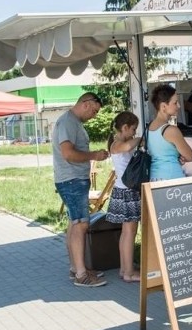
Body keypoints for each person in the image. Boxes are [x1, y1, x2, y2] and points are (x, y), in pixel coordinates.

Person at [53, 92, 110, 287]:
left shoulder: (72, 122)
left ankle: (75, 268)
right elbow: (68, 154)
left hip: (72, 179)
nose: (93, 115)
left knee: (74, 223)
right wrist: (94, 155)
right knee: (80, 225)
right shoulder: (68, 122)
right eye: (94, 111)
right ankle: (81, 275)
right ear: (86, 103)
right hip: (72, 180)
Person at [105, 111, 141, 283]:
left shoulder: (118, 142)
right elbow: (128, 147)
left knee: (127, 232)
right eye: (133, 129)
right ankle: (128, 272)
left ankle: (124, 268)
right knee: (129, 232)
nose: (134, 133)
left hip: (123, 190)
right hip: (127, 192)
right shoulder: (117, 144)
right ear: (124, 127)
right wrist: (144, 138)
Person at [148, 84, 192, 181]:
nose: (179, 106)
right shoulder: (171, 130)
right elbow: (190, 156)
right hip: (172, 179)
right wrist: (181, 156)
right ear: (163, 106)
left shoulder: (148, 128)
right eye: (175, 103)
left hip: (154, 179)